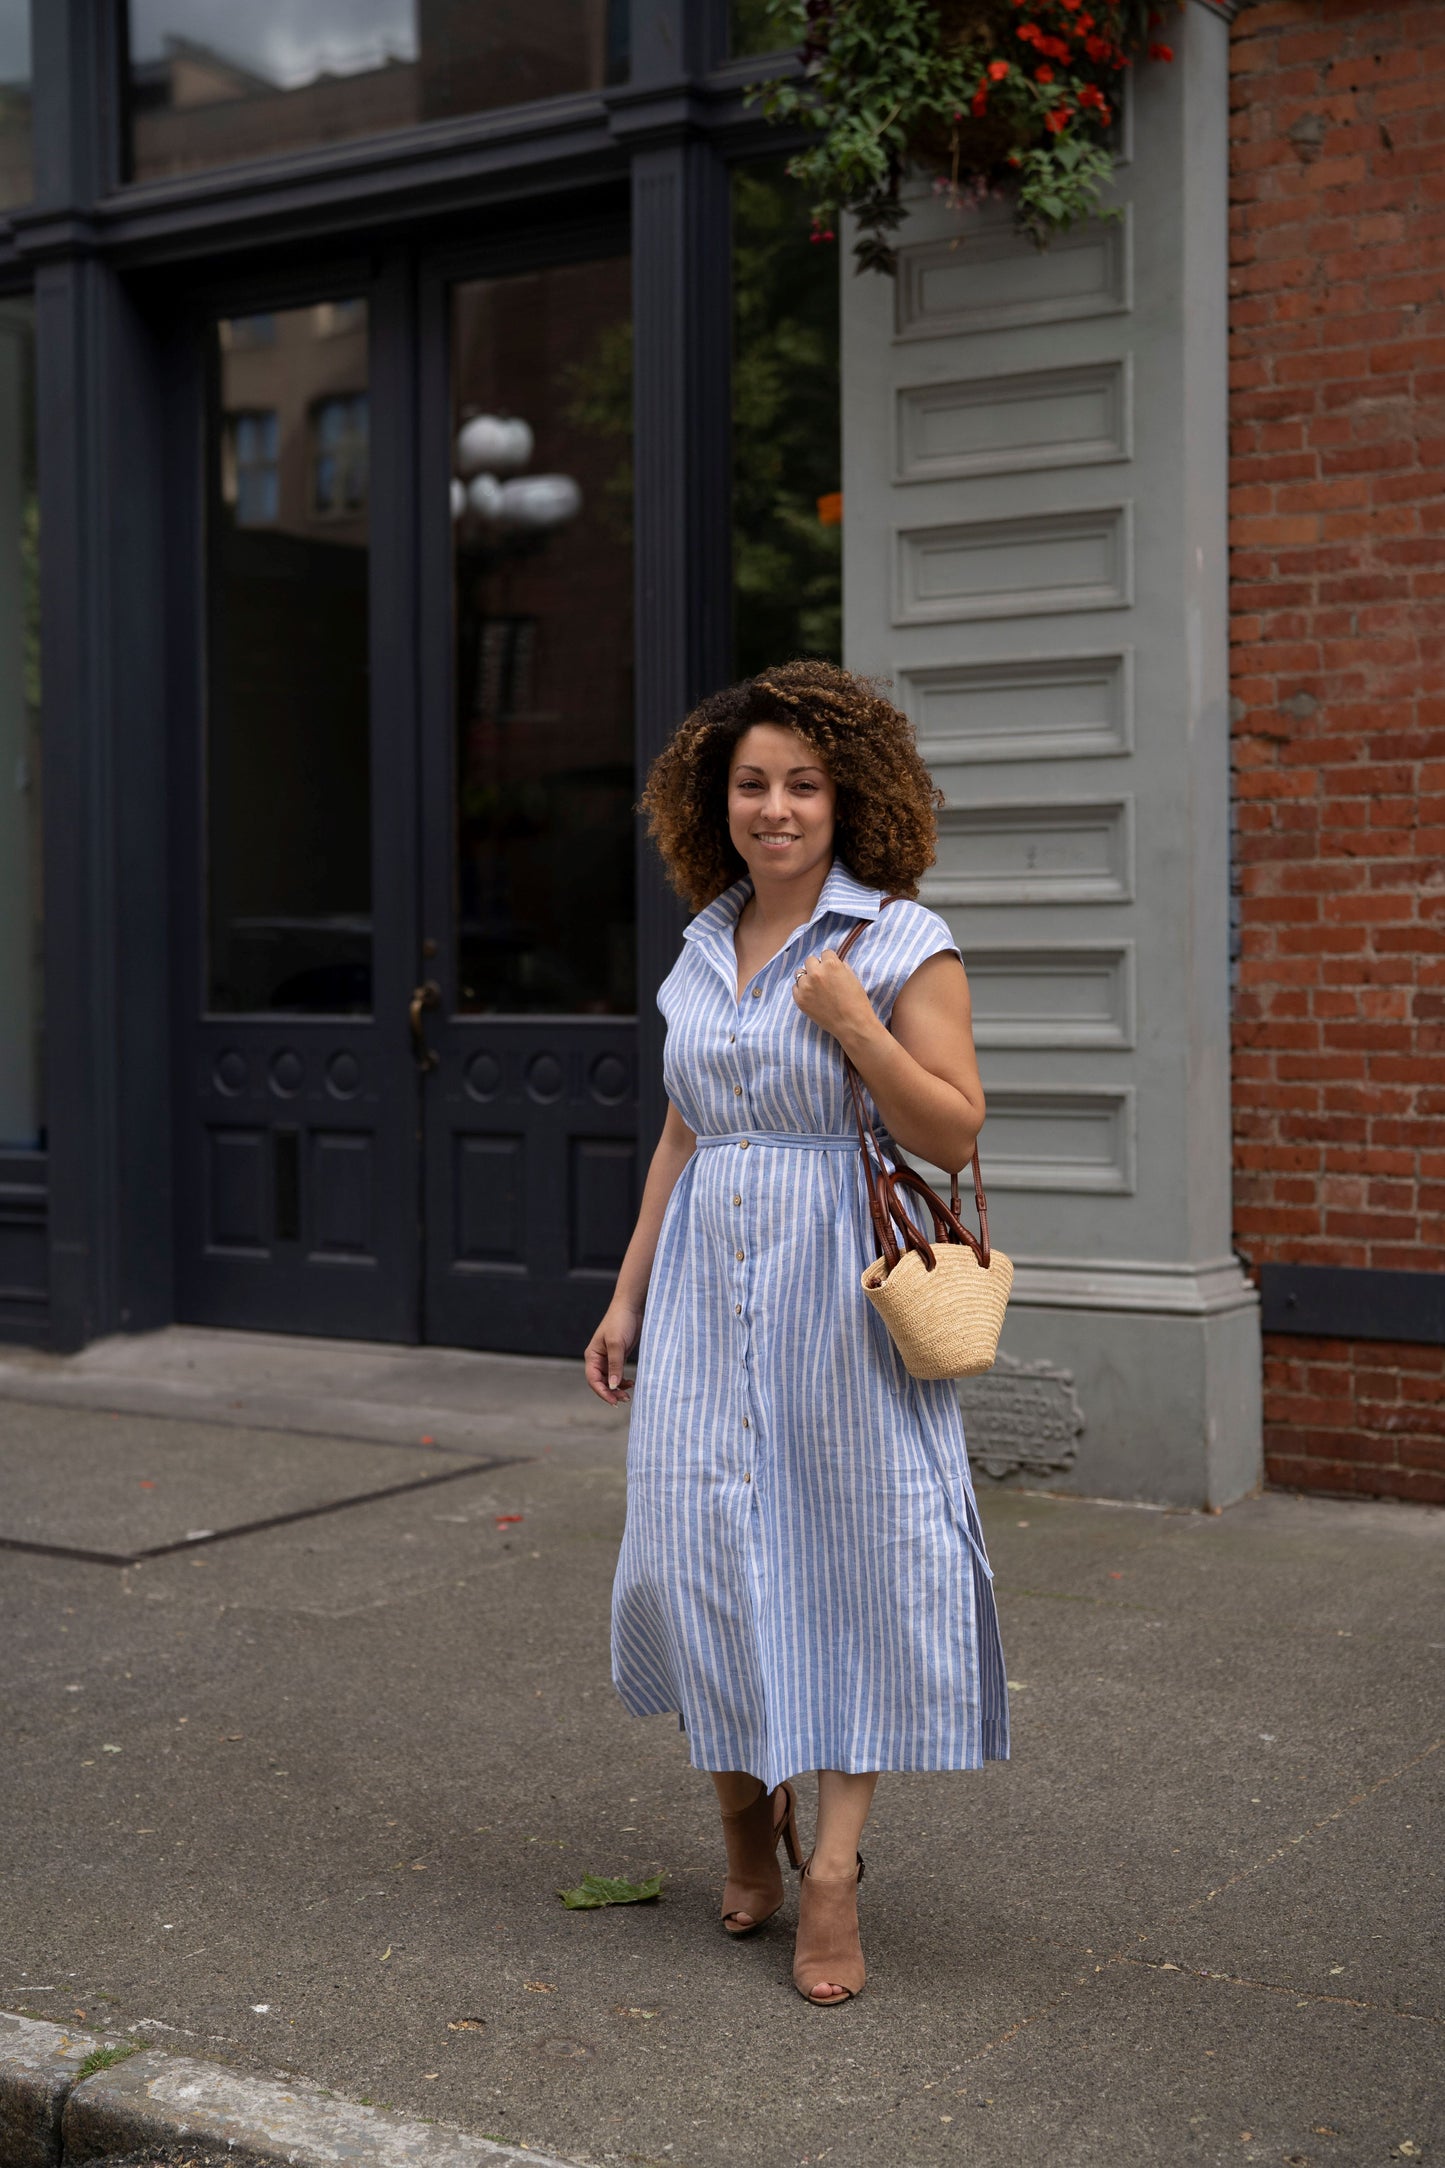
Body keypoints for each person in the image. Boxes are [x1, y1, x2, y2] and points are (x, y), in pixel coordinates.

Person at [585, 660, 1008, 2005]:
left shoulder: (897, 940)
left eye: (801, 784)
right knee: (689, 1554)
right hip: (707, 1289)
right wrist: (626, 1290)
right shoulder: (703, 943)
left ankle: (829, 1875)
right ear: (714, 802)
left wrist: (856, 1028)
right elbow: (683, 1129)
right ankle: (733, 1817)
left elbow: (951, 1127)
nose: (775, 807)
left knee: (849, 1560)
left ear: (847, 798)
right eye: (751, 783)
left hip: (840, 1291)